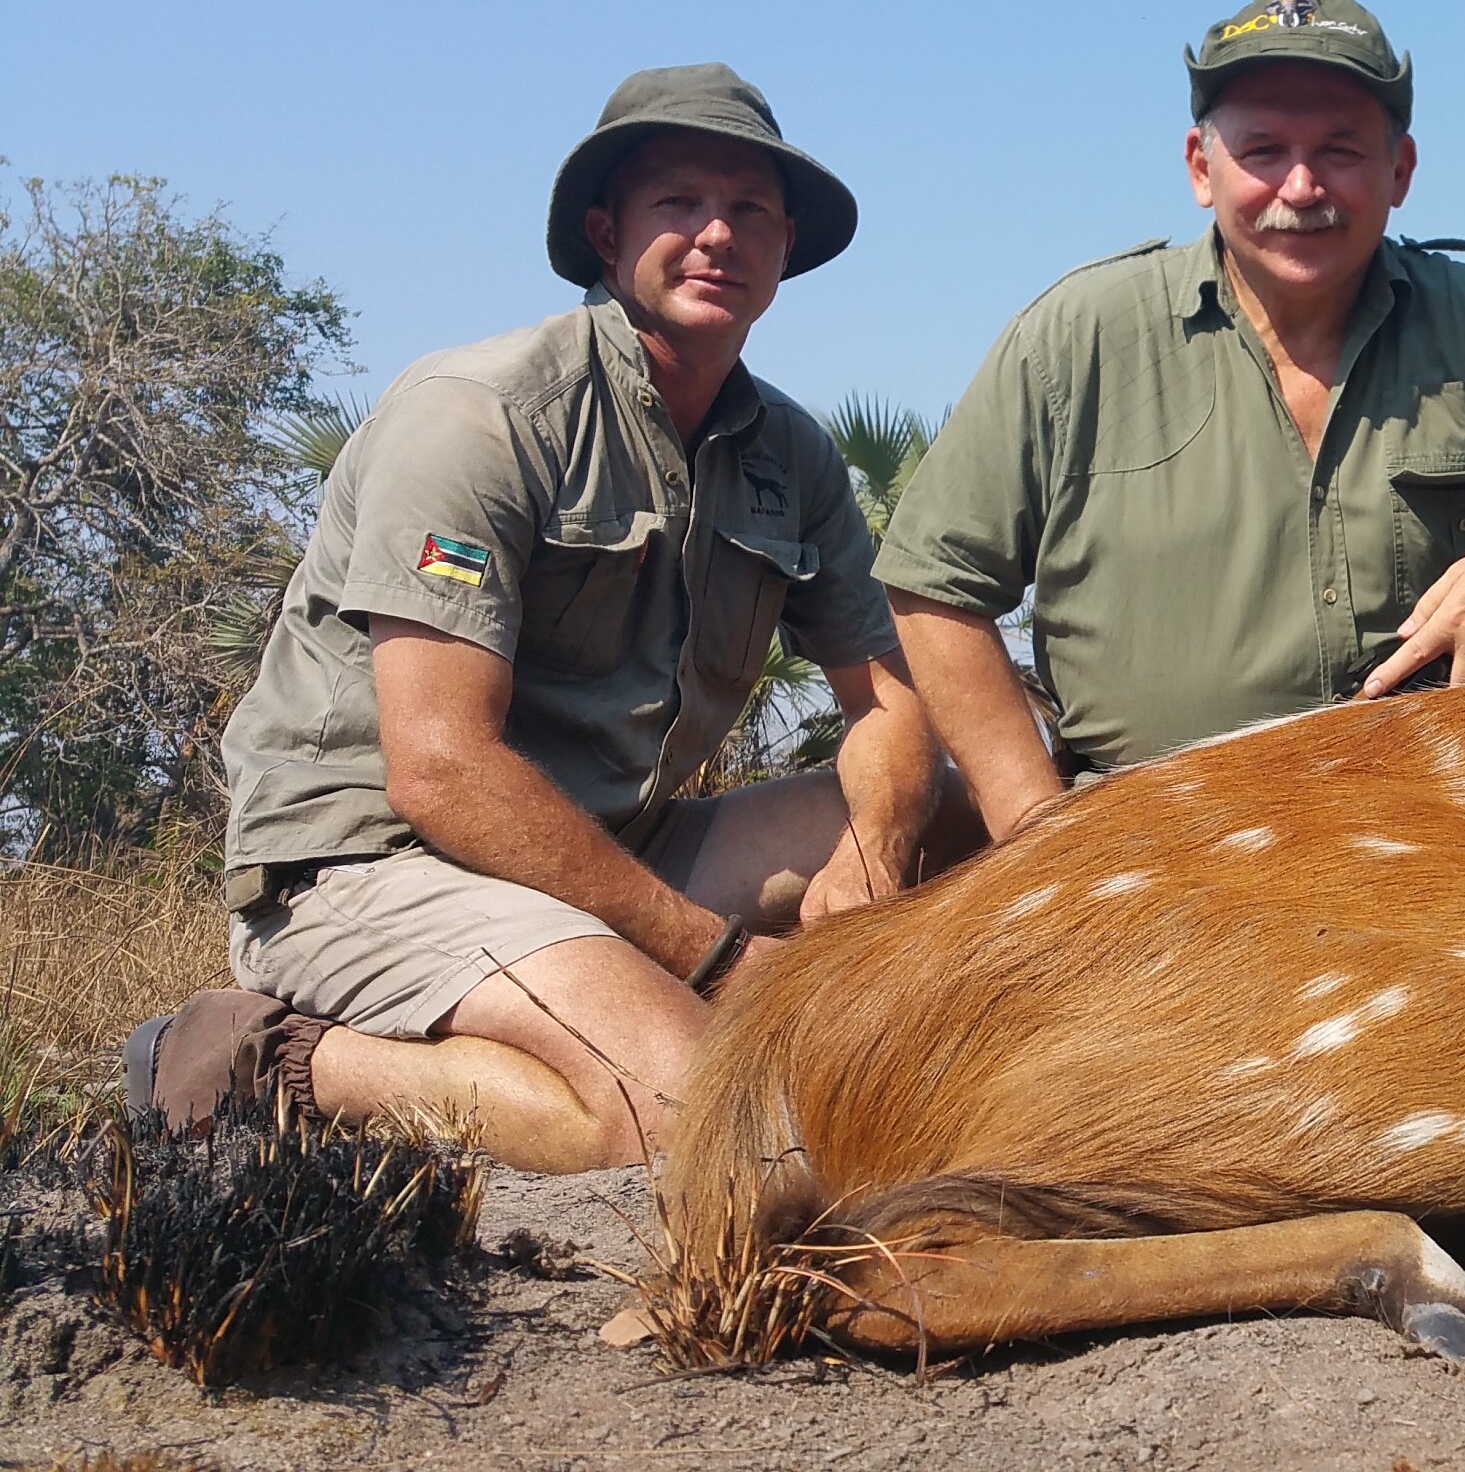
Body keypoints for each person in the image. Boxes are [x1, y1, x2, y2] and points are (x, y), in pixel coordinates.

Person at [123, 64, 940, 1172]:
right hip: (375, 865)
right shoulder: (481, 416)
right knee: (698, 1117)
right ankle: (278, 1060)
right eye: (678, 204)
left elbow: (887, 704)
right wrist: (714, 961)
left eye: (750, 210)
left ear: (786, 246)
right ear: (607, 238)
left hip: (612, 845)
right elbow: (441, 769)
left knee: (968, 796)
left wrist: (875, 863)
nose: (717, 235)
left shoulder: (791, 456)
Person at [876, 0, 1465, 839]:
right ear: (1201, 167)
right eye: (1263, 151)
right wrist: (1038, 836)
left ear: (1400, 171)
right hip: (1153, 841)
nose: (1302, 188)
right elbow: (933, 583)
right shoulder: (1078, 333)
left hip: (1445, 808)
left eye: (1341, 150)